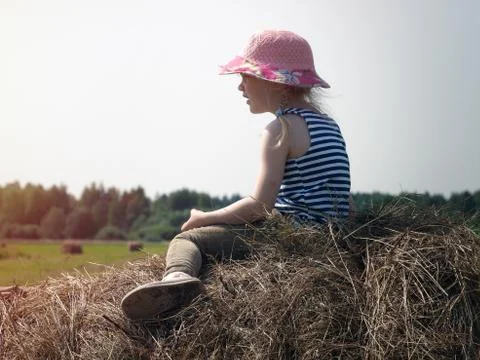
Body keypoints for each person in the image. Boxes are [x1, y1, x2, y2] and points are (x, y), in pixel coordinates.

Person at [121, 29, 351, 320]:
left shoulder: (280, 130)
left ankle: (176, 283)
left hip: (292, 238)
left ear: (275, 82)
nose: (240, 87)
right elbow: (343, 197)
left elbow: (259, 206)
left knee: (188, 241)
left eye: (247, 77)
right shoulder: (329, 126)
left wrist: (205, 218)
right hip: (333, 239)